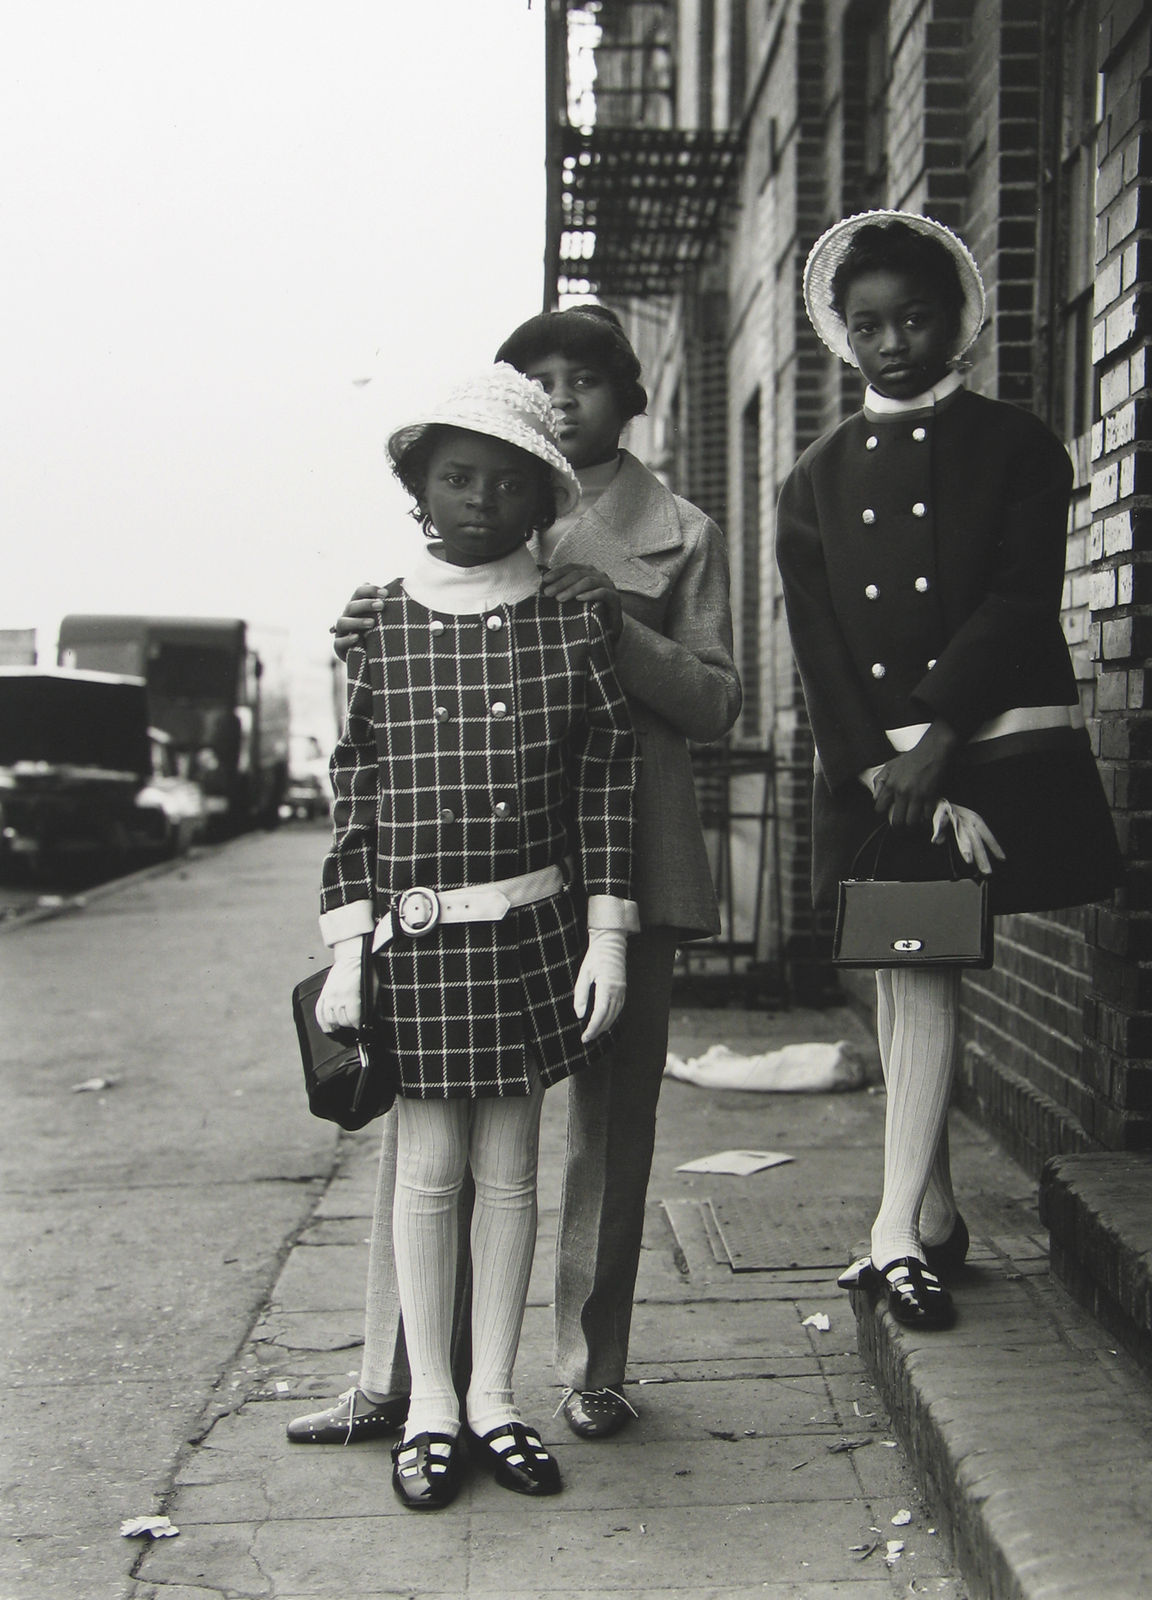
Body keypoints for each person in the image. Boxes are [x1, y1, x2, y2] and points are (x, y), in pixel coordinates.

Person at [288, 307, 740, 1447]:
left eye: (584, 376)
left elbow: (718, 701)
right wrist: (373, 622)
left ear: (630, 397)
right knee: (427, 1116)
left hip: (628, 847)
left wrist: (613, 632)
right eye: (534, 375)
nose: (560, 393)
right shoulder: (479, 499)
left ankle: (590, 1366)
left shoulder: (677, 530)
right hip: (473, 872)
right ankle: (399, 1379)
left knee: (607, 1125)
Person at [775, 211, 1122, 1331]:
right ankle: (922, 1217)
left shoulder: (1016, 445)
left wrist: (932, 740)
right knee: (905, 966)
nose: (890, 341)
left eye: (913, 317)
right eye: (866, 323)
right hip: (877, 768)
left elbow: (1019, 601)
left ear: (956, 319)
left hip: (979, 746)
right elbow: (819, 638)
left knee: (918, 961)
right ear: (841, 331)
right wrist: (875, 763)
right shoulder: (812, 479)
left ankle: (894, 1230)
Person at [313, 364, 639, 1508]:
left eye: (507, 484)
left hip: (535, 936)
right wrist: (347, 954)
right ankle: (435, 1405)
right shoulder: (381, 623)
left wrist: (610, 935)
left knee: (511, 1173)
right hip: (416, 947)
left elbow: (605, 779)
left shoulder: (569, 617)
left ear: (540, 501)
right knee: (429, 1174)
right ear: (418, 485)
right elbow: (353, 798)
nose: (479, 502)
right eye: (455, 477)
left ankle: (498, 1397)